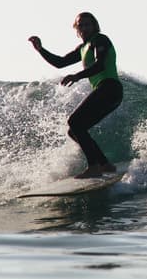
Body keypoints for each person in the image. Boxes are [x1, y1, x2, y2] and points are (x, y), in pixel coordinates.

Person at [28, 12, 123, 178]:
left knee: (74, 122)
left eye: (88, 24)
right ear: (76, 29)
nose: (84, 28)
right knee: (74, 130)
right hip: (105, 91)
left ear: (94, 26)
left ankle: (94, 167)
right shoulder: (82, 48)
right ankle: (104, 164)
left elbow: (100, 65)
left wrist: (77, 76)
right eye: (81, 25)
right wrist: (40, 49)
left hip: (109, 88)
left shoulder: (100, 40)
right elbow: (60, 62)